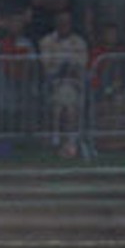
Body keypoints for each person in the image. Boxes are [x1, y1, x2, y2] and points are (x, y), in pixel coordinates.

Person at [37, 9, 89, 156]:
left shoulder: (79, 42)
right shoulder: (46, 41)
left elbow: (82, 64)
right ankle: (65, 142)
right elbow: (47, 65)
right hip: (53, 83)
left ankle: (67, 142)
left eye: (67, 23)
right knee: (64, 103)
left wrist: (68, 67)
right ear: (56, 24)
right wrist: (63, 67)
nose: (64, 25)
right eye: (60, 22)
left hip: (75, 83)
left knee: (68, 104)